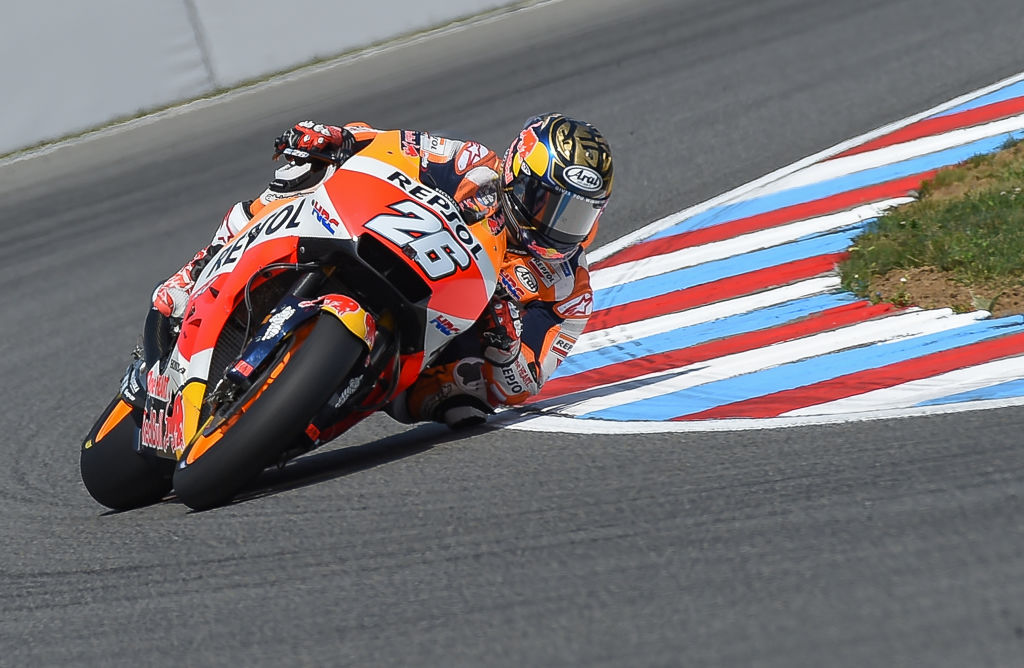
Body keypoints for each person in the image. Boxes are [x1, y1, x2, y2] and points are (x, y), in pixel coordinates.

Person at [152, 114, 614, 428]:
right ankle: (200, 269)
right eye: (549, 204)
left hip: (436, 340)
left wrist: (505, 346)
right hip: (392, 243)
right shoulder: (473, 165)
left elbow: (523, 386)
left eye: (577, 215)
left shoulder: (571, 292)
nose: (557, 226)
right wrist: (338, 140)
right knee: (300, 177)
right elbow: (393, 145)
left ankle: (328, 393)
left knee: (469, 401)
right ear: (517, 176)